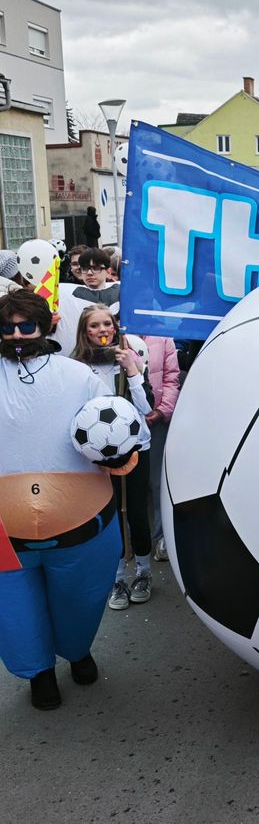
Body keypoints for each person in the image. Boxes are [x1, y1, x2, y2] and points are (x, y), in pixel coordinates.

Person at [0, 289, 124, 709]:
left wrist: (123, 455)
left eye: (25, 326)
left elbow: (117, 433)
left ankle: (77, 650)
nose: (16, 335)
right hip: (6, 537)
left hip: (81, 527)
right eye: (6, 327)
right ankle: (39, 674)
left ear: (47, 325)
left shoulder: (79, 376)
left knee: (80, 600)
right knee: (14, 612)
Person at [71, 305, 154, 609]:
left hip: (135, 450)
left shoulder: (129, 359)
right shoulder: (75, 366)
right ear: (85, 331)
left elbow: (147, 408)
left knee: (136, 515)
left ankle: (143, 573)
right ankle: (117, 578)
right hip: (97, 456)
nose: (103, 329)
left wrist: (132, 371)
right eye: (95, 325)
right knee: (110, 519)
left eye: (108, 323)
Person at [140, 335, 180, 561]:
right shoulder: (116, 331)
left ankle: (161, 536)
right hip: (123, 421)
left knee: (157, 480)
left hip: (156, 419)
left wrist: (162, 411)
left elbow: (171, 378)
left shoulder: (163, 338)